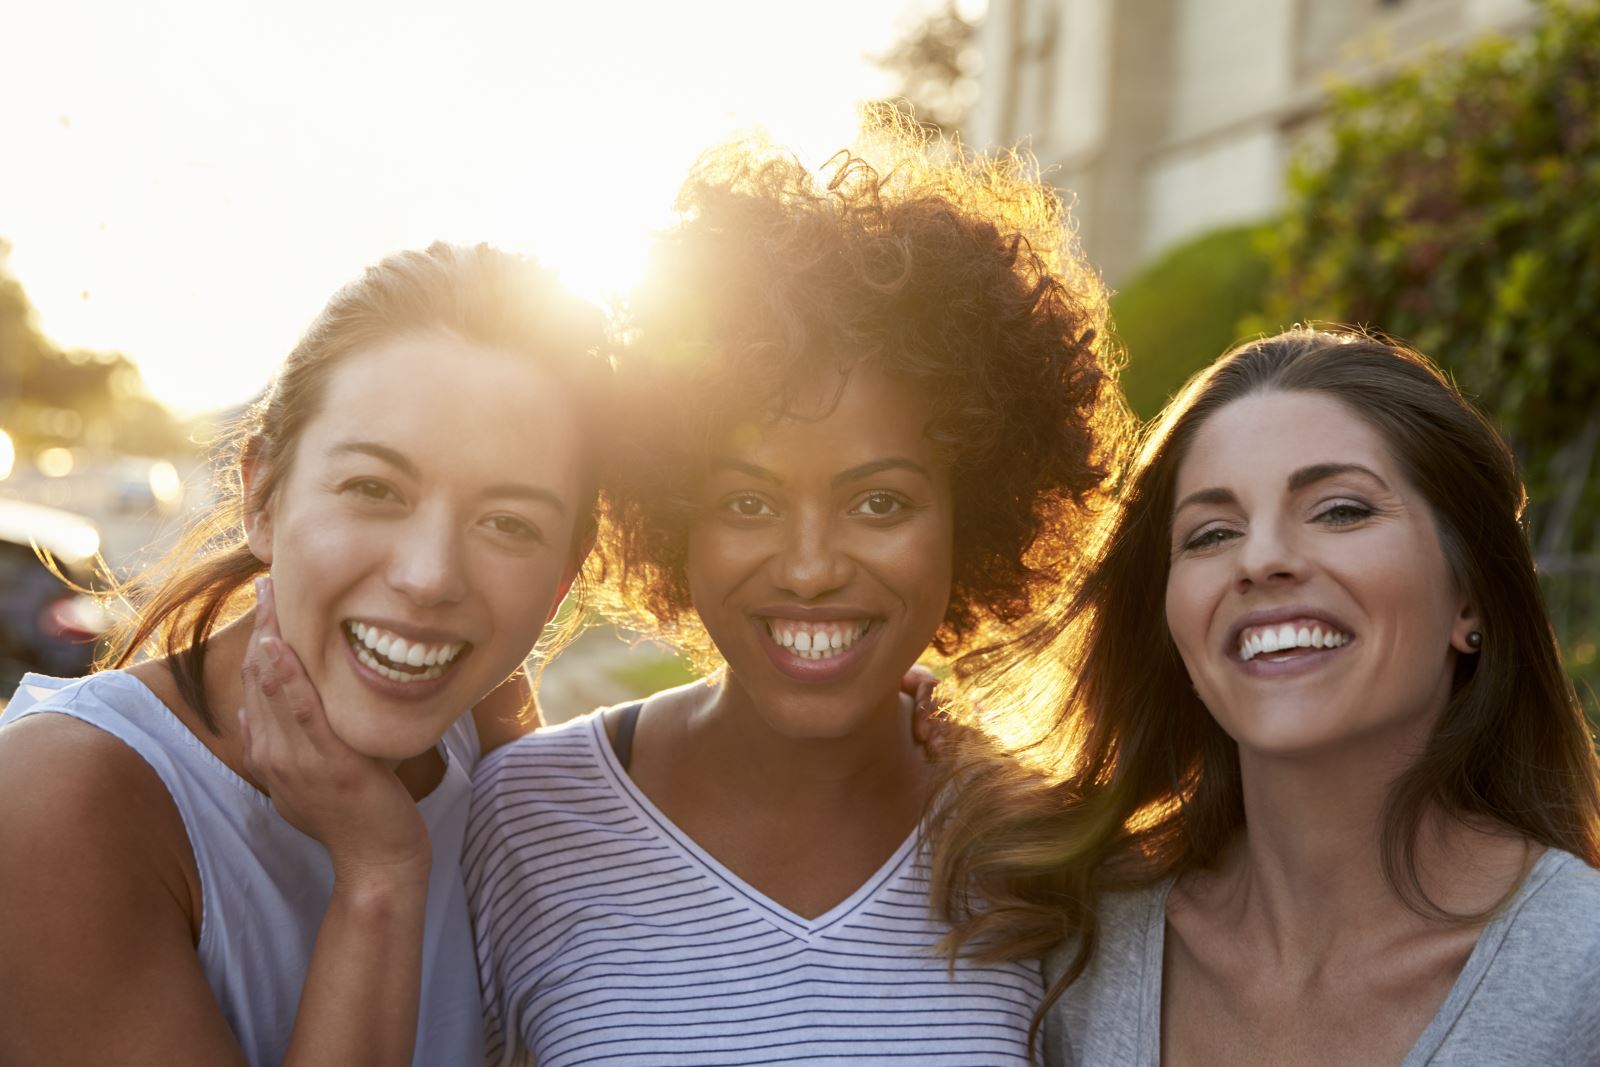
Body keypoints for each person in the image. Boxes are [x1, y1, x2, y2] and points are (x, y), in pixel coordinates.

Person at [464, 129, 1131, 1066]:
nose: (811, 566)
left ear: (972, 514)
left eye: (880, 501)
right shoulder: (524, 816)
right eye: (747, 501)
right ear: (674, 516)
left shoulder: (1039, 840)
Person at [0, 242, 607, 1066]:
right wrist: (379, 874)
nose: (429, 578)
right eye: (373, 489)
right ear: (261, 495)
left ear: (564, 577)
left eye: (508, 523)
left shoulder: (487, 718)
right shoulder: (62, 798)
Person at [930, 328, 1600, 1065]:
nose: (1262, 559)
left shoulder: (1581, 974)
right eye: (1212, 532)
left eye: (1340, 510)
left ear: (1469, 599)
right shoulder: (1068, 946)